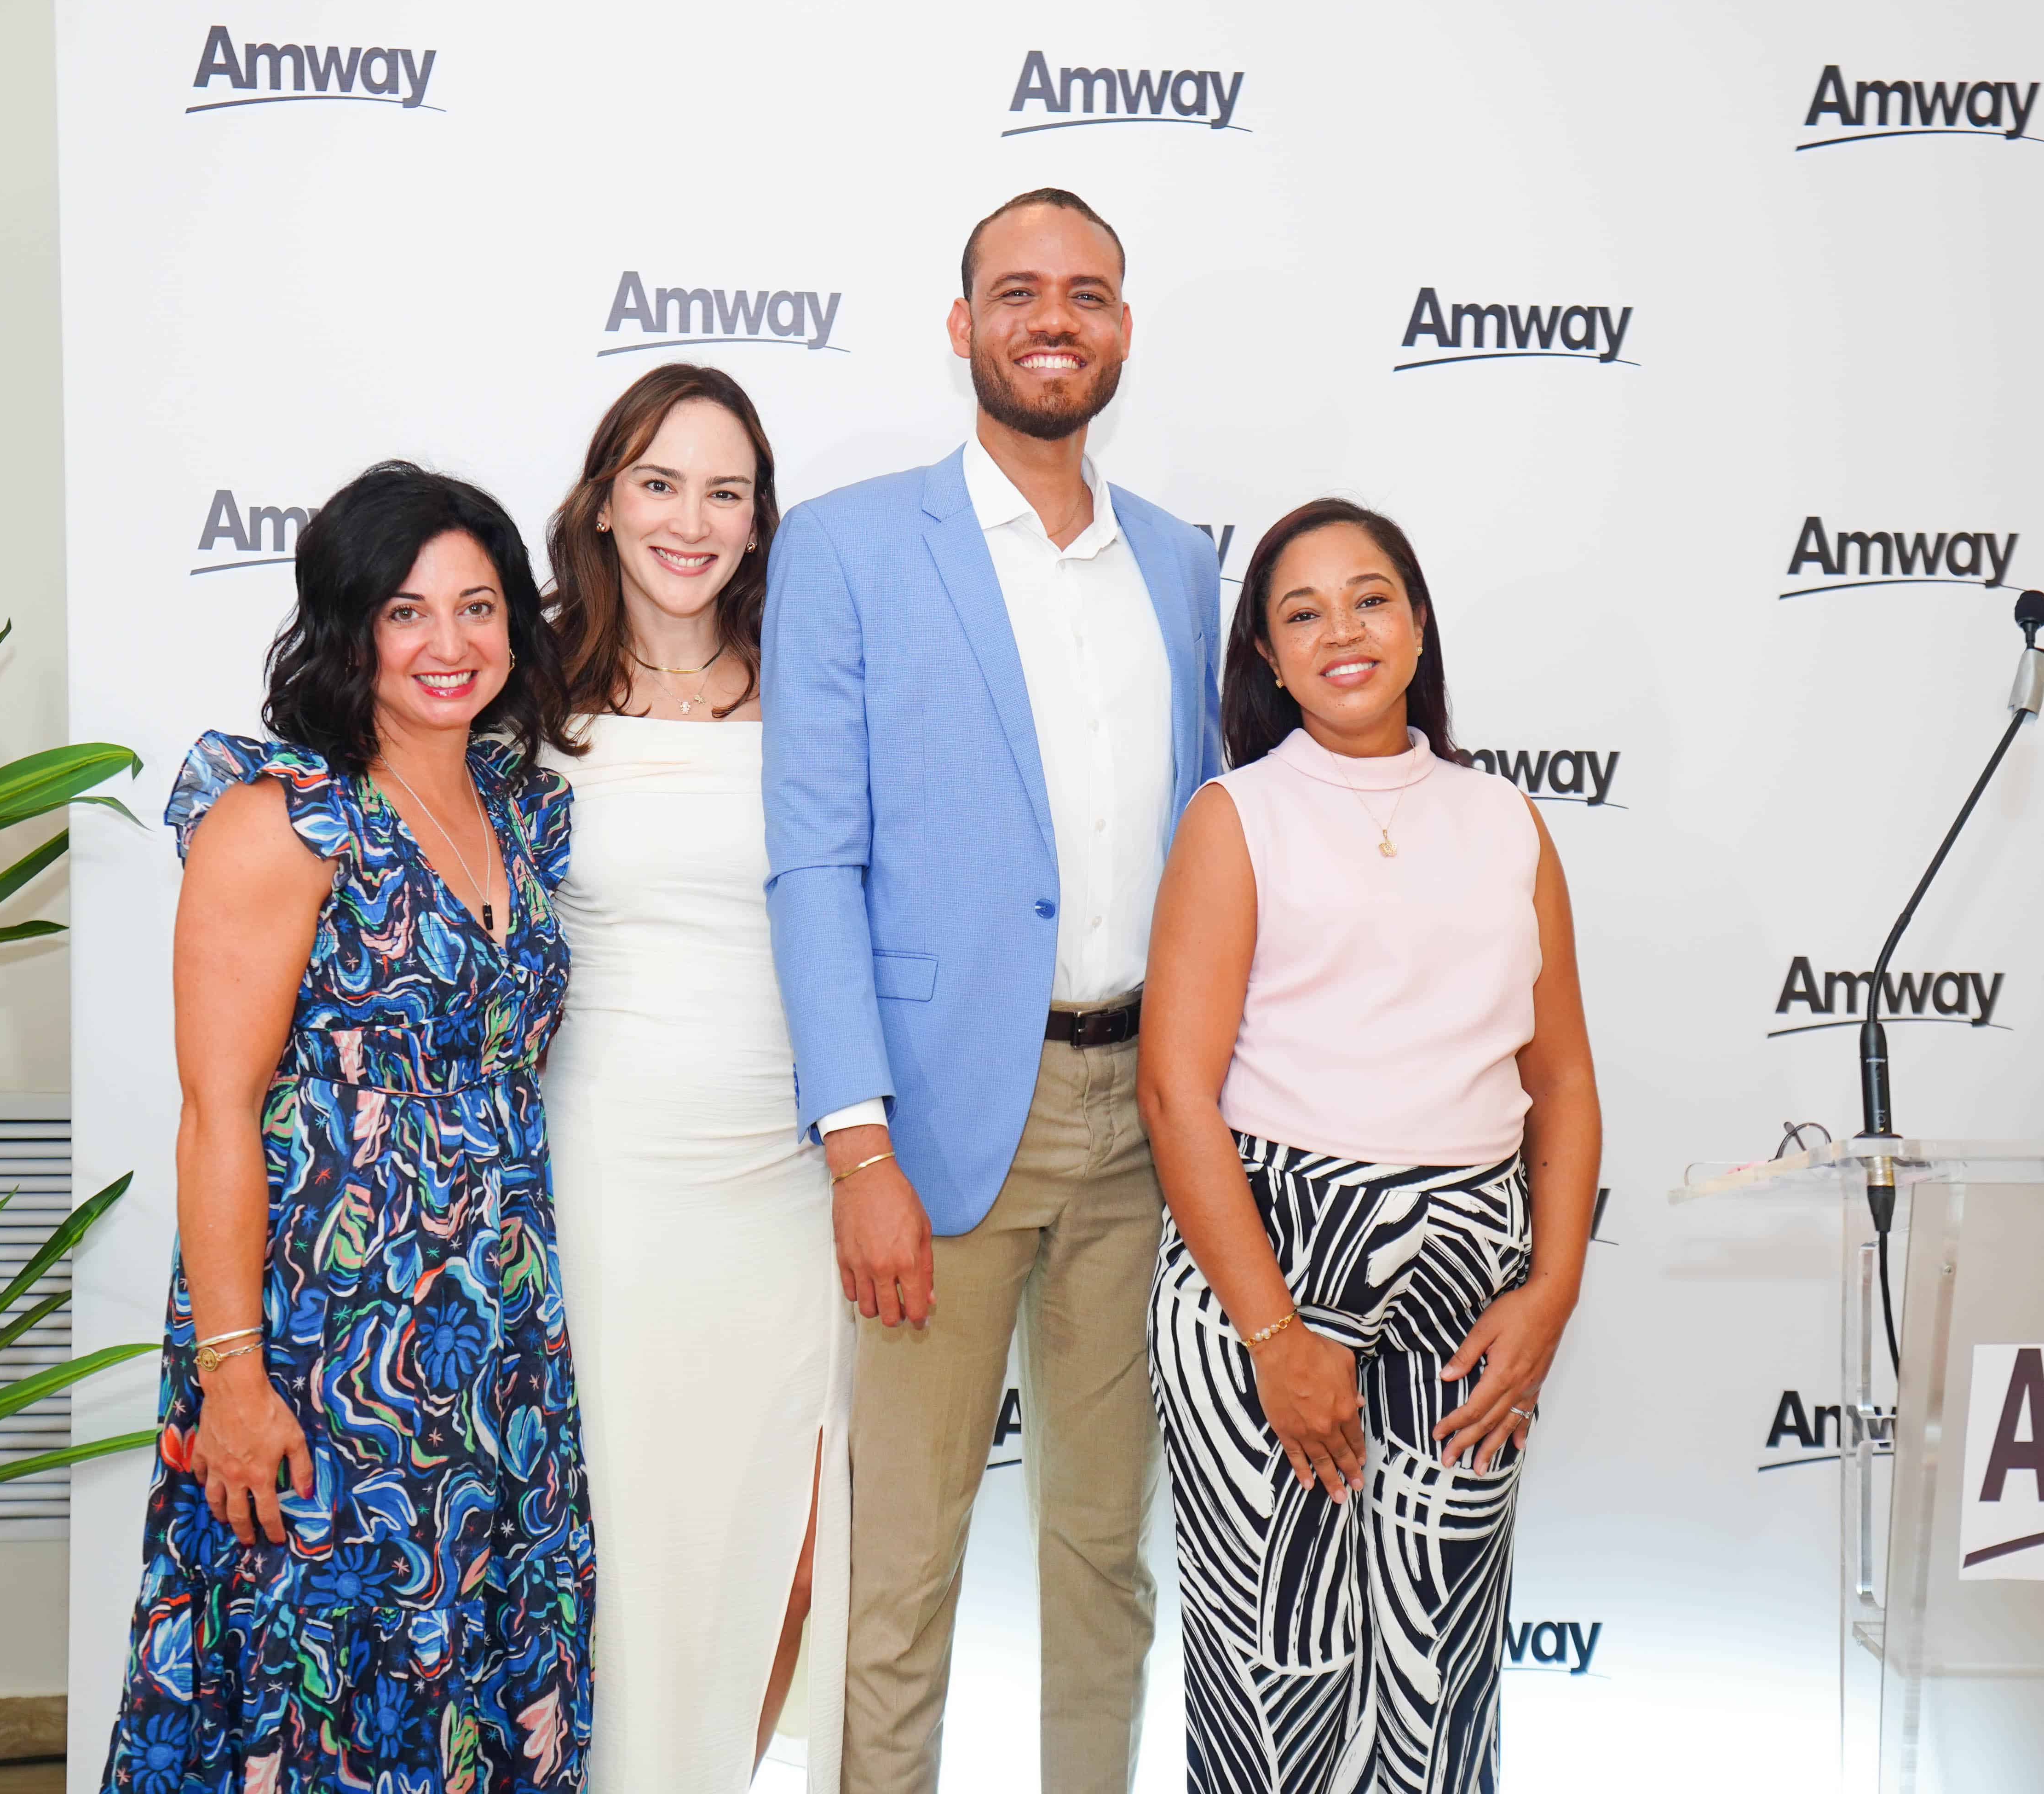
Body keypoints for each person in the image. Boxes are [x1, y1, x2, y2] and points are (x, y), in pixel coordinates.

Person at [762, 187, 1225, 1794]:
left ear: (1120, 329)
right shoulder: (846, 546)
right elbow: (815, 862)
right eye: (1018, 291)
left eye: (1088, 292)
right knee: (903, 1573)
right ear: (961, 325)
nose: (1055, 318)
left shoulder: (1178, 562)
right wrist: (859, 1147)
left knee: (1105, 1558)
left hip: (1144, 1125)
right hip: (944, 1124)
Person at [100, 462, 593, 1794]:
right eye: (406, 612)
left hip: (497, 1346)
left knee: (478, 1669)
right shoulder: (285, 818)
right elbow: (219, 1112)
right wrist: (235, 1381)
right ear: (348, 625)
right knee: (315, 1669)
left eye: (478, 608)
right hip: (330, 1345)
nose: (449, 645)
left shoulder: (525, 814)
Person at [1138, 501, 1602, 1793]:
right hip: (1272, 1269)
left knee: (1442, 1683)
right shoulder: (1238, 817)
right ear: (1269, 661)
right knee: (1276, 1686)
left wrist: (1552, 1290)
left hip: (1470, 1294)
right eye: (1303, 612)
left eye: (1371, 598)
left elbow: (1560, 1080)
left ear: (1416, 627)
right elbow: (1177, 1095)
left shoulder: (1508, 819)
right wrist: (1276, 1339)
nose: (1342, 631)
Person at [537, 363, 848, 1791]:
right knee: (633, 1549)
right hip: (613, 1169)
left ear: (759, 519)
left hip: (796, 1174)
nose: (691, 520)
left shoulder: (820, 681)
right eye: (660, 483)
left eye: (726, 491)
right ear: (606, 504)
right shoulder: (522, 693)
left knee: (791, 1549)